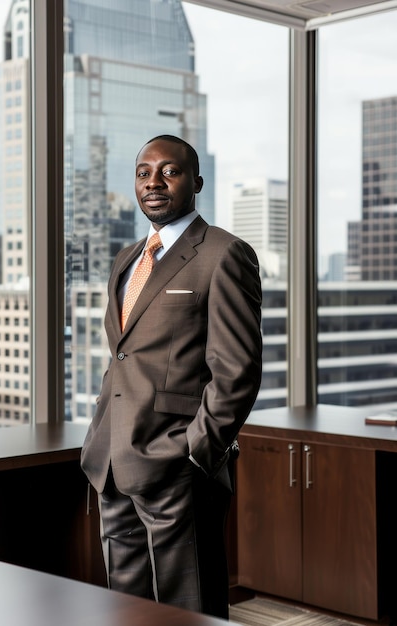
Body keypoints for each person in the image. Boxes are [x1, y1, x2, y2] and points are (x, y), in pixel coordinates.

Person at [80, 135, 262, 619]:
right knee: (128, 609)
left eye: (169, 171)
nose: (153, 183)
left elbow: (237, 371)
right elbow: (124, 358)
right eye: (143, 173)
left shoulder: (224, 254)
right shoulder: (128, 259)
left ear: (196, 182)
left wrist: (197, 454)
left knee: (191, 609)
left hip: (178, 468)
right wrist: (98, 440)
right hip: (114, 468)